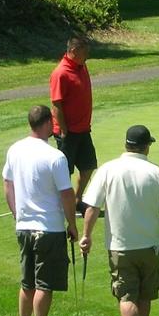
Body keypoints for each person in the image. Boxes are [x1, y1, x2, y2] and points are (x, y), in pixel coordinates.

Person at [80, 125, 159, 316]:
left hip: (120, 246)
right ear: (146, 146)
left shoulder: (108, 169)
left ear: (126, 145)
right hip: (150, 246)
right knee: (144, 295)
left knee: (126, 295)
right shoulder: (158, 173)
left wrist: (86, 235)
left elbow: (91, 207)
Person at [2, 105, 79, 316]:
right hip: (49, 228)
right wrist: (72, 225)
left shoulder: (15, 150)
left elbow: (7, 184)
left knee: (27, 282)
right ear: (47, 124)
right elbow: (67, 194)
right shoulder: (55, 156)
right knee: (44, 284)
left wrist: (16, 213)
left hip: (24, 227)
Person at [50, 34, 96, 215]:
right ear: (74, 51)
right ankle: (62, 206)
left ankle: (77, 200)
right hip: (67, 132)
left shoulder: (82, 66)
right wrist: (63, 130)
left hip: (83, 129)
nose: (88, 55)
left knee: (88, 166)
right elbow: (56, 104)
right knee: (64, 173)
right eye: (85, 51)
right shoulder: (61, 73)